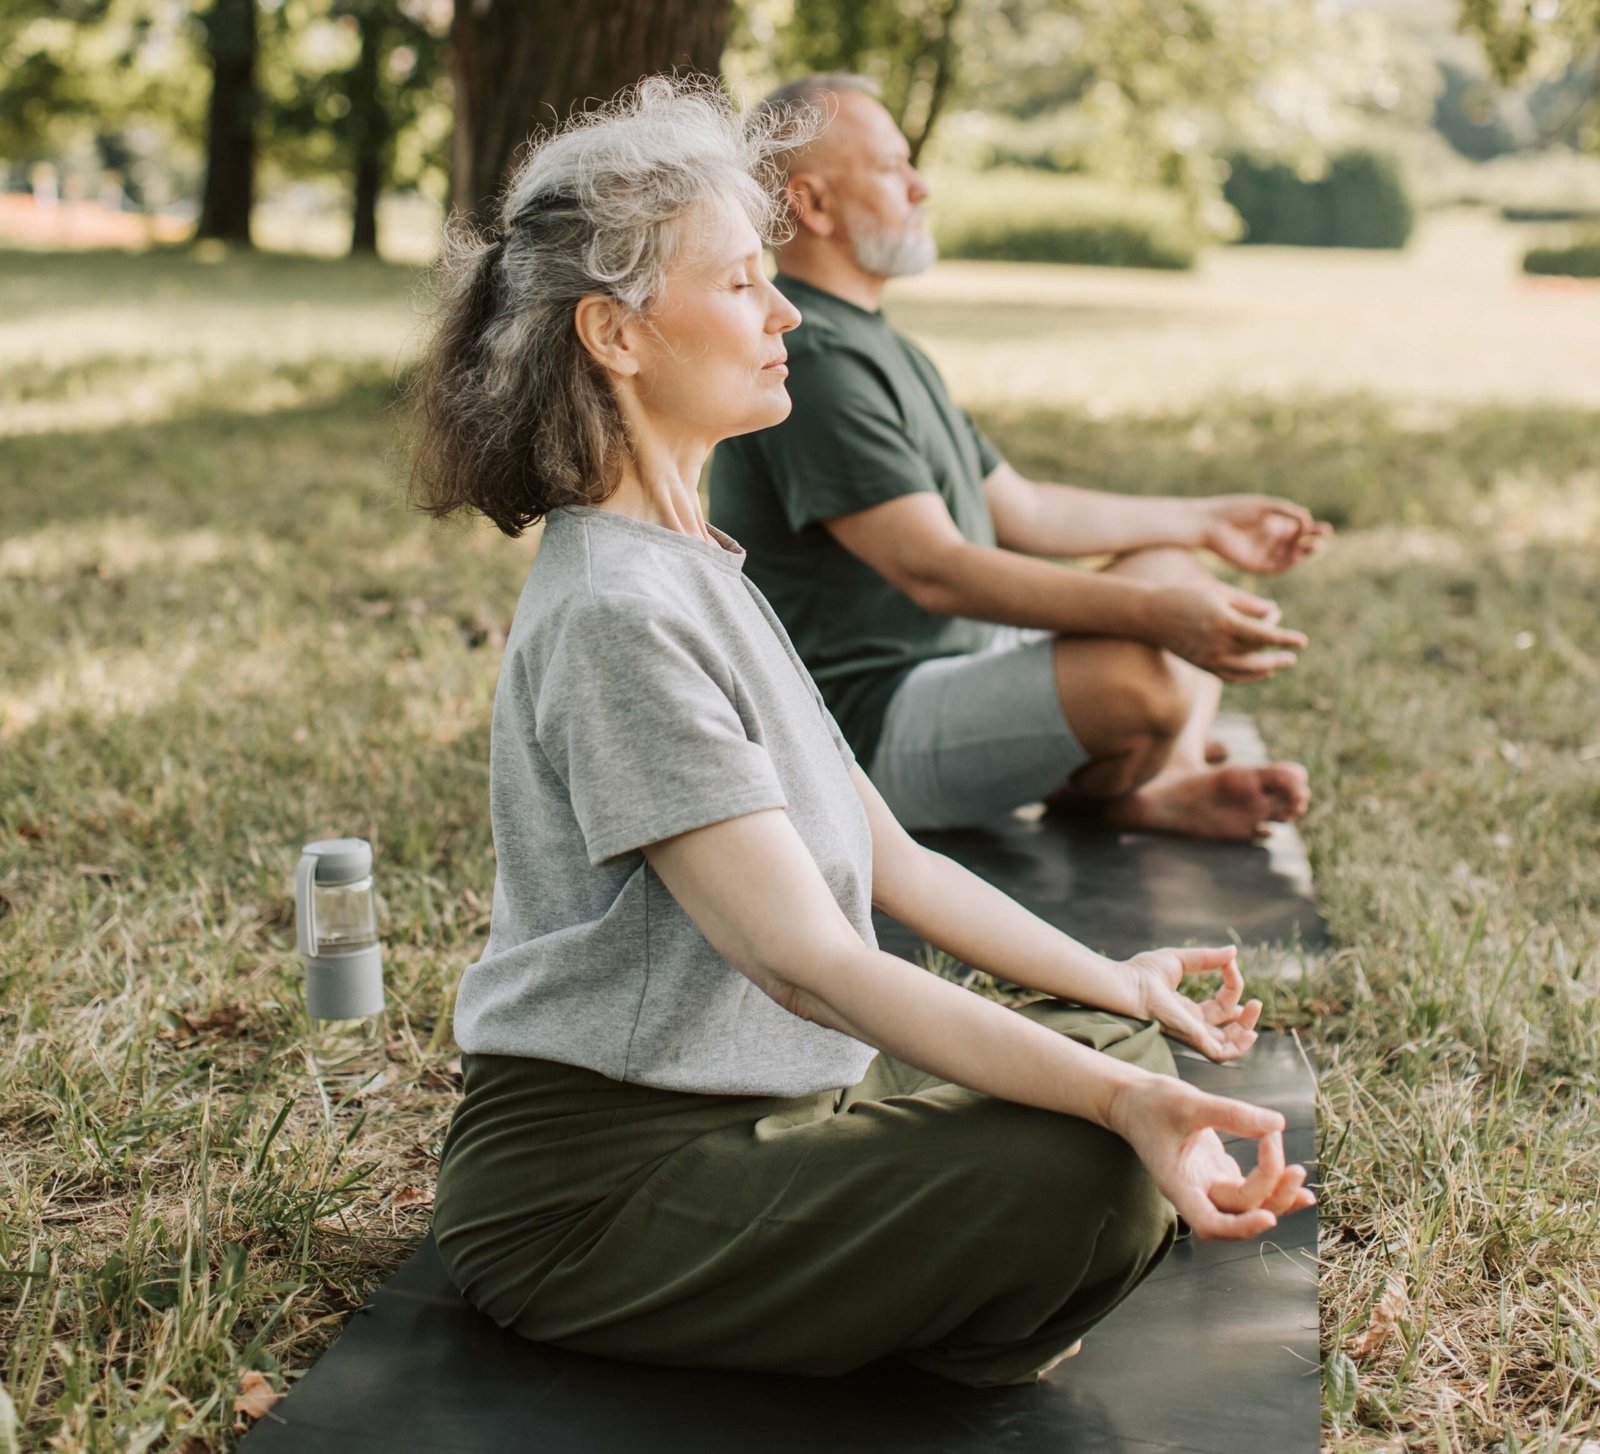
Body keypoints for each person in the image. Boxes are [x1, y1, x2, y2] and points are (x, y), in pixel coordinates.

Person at [409, 77, 1313, 1391]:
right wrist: (1120, 1106)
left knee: (1117, 1046)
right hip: (600, 1189)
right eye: (738, 285)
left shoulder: (695, 563)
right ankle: (938, 1291)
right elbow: (809, 963)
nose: (784, 314)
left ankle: (928, 1256)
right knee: (1095, 1162)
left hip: (781, 1102)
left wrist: (1125, 987)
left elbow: (898, 862)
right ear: (613, 332)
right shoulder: (617, 611)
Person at [709, 74, 1331, 841]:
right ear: (814, 205)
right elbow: (934, 570)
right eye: (891, 168)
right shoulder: (816, 360)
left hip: (959, 662)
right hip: (862, 731)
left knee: (1175, 568)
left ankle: (1154, 786)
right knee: (1145, 675)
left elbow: (1024, 510)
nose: (920, 186)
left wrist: (1205, 521)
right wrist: (1158, 618)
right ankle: (1140, 779)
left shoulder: (877, 342)